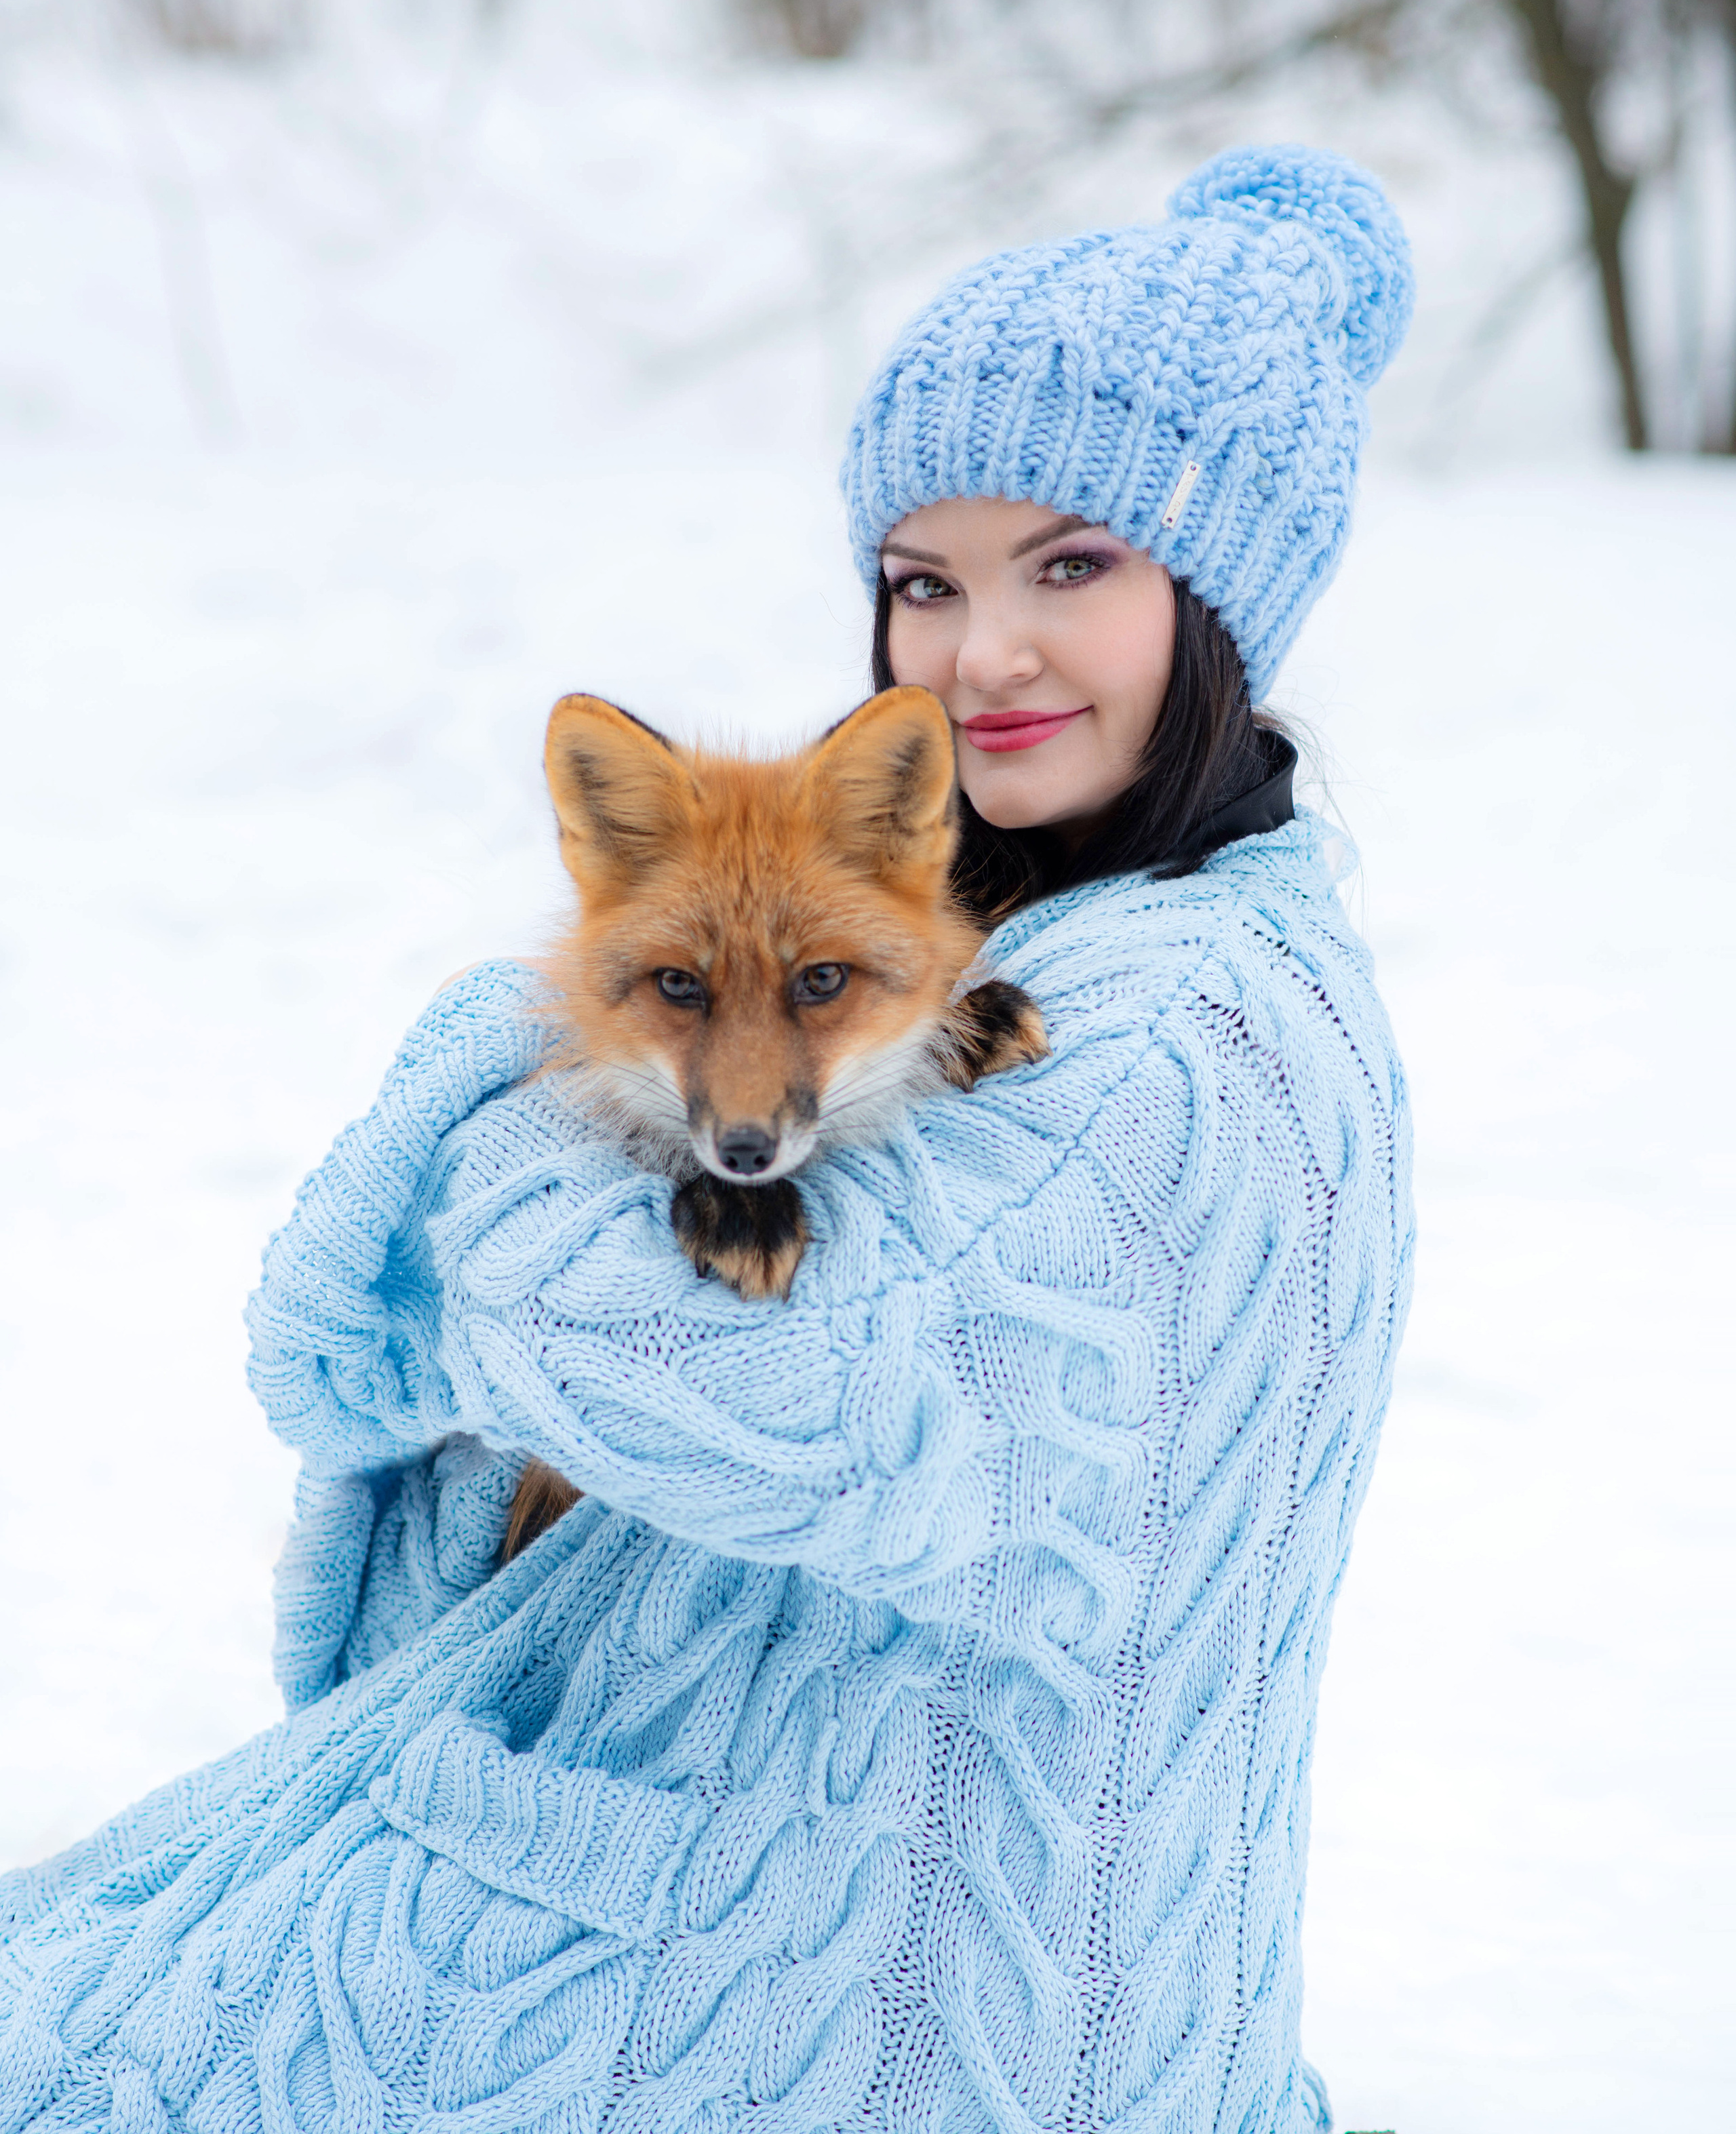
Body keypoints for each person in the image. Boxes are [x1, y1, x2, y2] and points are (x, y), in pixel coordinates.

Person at [0, 144, 1415, 2134]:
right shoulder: (1040, 924)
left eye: (1072, 566)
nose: (981, 652)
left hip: (854, 2007)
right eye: (926, 582)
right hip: (759, 1900)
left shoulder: (1174, 1029)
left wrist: (508, 1096)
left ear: (1222, 593)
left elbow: (755, 1381)